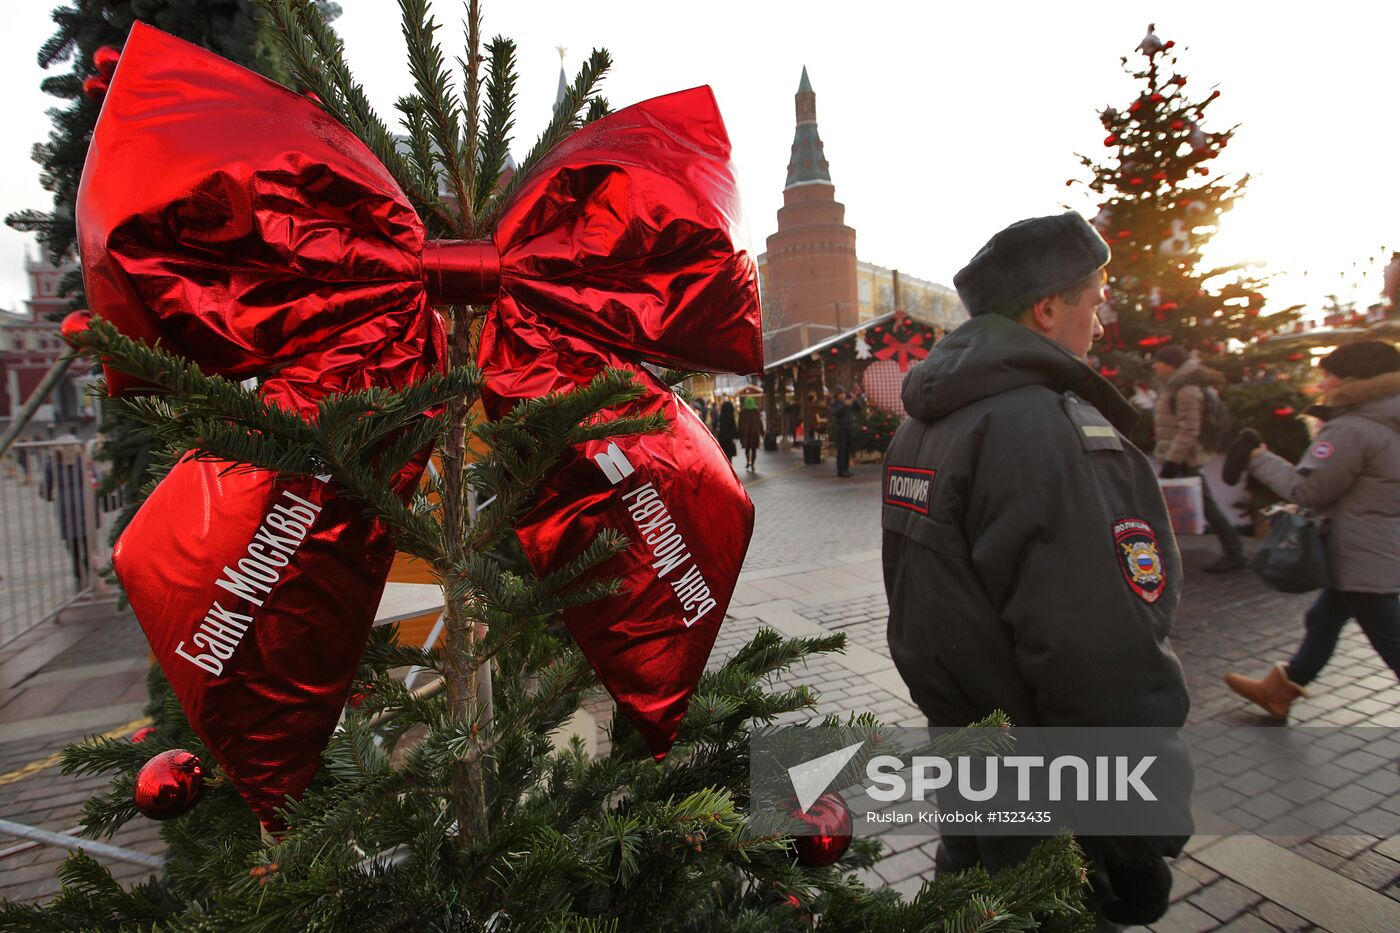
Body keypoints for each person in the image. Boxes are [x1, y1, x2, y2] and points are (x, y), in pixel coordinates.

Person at [882, 212, 1191, 929]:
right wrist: (1135, 835)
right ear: (1048, 308)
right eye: (1095, 300)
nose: (1100, 321)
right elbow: (1100, 651)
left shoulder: (925, 423)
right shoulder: (1046, 430)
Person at [1223, 340, 1400, 719]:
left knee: (1390, 640)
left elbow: (1308, 489)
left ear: (1355, 380)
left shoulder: (1352, 429)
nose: (1321, 385)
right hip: (1372, 545)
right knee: (1323, 619)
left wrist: (1258, 458)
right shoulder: (1388, 420)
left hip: (1361, 554)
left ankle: (1278, 691)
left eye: (1329, 376)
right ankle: (1278, 691)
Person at [1150, 344, 1246, 572]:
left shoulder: (1186, 389)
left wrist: (1173, 460)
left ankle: (1234, 552)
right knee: (1196, 503)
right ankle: (1233, 551)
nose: (1155, 366)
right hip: (1180, 456)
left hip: (1185, 458)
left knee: (1204, 505)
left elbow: (1189, 429)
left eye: (1159, 362)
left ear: (1171, 364)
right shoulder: (1177, 385)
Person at [827, 386, 863, 477]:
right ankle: (840, 470)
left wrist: (855, 400)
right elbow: (835, 413)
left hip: (849, 427)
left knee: (848, 450)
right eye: (840, 394)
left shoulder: (848, 402)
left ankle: (846, 469)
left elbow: (859, 408)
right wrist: (844, 405)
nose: (842, 395)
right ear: (836, 395)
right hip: (841, 429)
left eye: (843, 393)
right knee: (841, 450)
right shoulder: (834, 403)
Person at [737, 395, 764, 471]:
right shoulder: (756, 411)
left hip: (746, 433)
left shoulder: (742, 412)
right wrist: (762, 432)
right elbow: (760, 422)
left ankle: (748, 461)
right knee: (754, 450)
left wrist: (740, 433)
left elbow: (740, 423)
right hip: (755, 433)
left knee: (747, 449)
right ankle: (752, 464)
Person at [716, 397, 738, 464]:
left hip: (722, 437)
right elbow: (733, 428)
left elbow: (719, 426)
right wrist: (735, 436)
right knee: (729, 455)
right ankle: (729, 466)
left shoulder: (721, 416)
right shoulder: (731, 417)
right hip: (730, 438)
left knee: (723, 454)